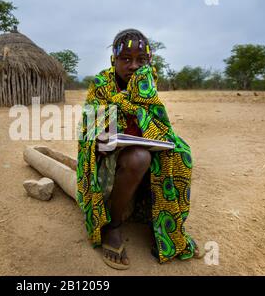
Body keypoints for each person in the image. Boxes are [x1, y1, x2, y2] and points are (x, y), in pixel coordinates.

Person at [76, 29, 201, 270]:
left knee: (180, 153)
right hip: (109, 163)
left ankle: (165, 226)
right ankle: (113, 226)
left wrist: (155, 136)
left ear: (149, 61)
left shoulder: (147, 84)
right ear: (114, 60)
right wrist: (101, 139)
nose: (134, 66)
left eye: (141, 60)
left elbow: (158, 123)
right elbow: (90, 133)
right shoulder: (101, 86)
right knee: (139, 158)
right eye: (126, 59)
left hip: (142, 153)